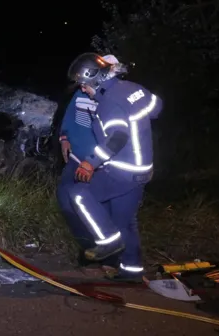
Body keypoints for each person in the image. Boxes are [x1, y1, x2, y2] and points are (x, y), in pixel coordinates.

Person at [64, 52, 162, 281]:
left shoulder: (108, 103)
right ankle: (132, 271)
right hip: (143, 169)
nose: (83, 90)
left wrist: (90, 163)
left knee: (78, 193)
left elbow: (117, 138)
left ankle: (108, 241)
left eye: (84, 85)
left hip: (124, 171)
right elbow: (157, 108)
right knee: (125, 220)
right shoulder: (132, 89)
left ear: (95, 79)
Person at [56, 55, 123, 266]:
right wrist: (64, 138)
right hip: (76, 158)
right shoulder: (82, 91)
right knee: (67, 202)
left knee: (97, 206)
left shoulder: (111, 97)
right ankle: (87, 249)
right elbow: (68, 117)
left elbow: (118, 135)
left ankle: (110, 254)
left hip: (99, 164)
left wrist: (96, 162)